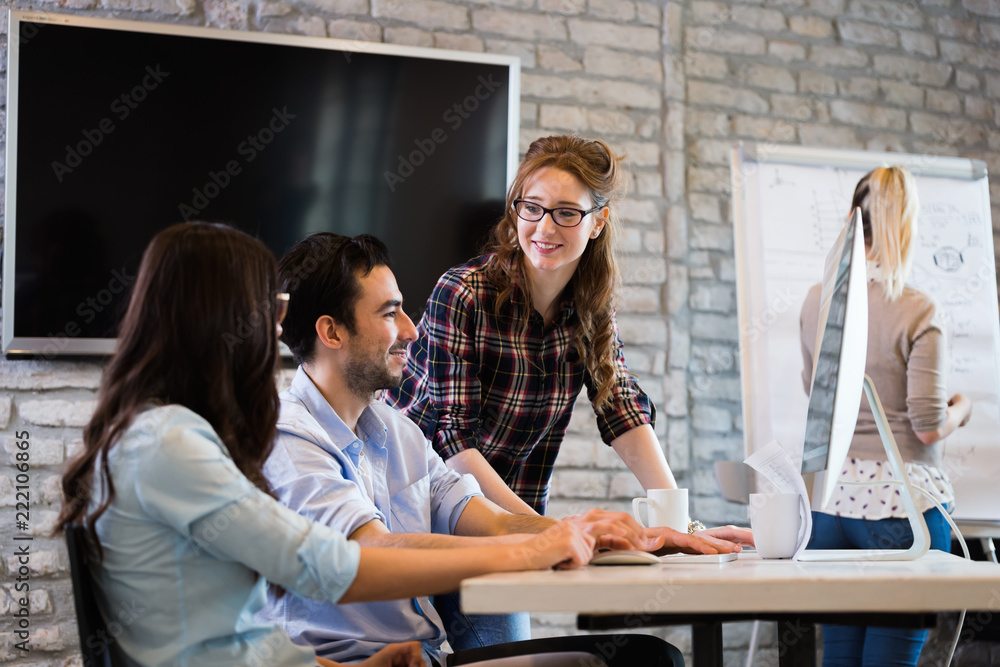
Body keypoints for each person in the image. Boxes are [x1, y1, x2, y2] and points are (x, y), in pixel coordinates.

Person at [53, 222, 601, 667]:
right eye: (266, 309)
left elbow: (251, 636)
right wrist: (530, 551)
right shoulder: (171, 442)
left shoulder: (165, 434)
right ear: (222, 323)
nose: (275, 329)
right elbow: (330, 566)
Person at [260, 231, 740, 665]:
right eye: (390, 312)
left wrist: (611, 535)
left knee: (647, 657)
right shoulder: (289, 436)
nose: (411, 329)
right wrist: (535, 550)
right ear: (331, 332)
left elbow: (487, 520)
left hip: (423, 658)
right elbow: (370, 549)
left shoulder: (396, 430)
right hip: (348, 663)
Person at [800, 166, 973, 667]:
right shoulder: (918, 309)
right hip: (900, 515)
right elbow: (927, 426)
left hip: (831, 508)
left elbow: (816, 395)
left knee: (840, 658)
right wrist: (963, 411)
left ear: (855, 218)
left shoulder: (818, 300)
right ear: (906, 224)